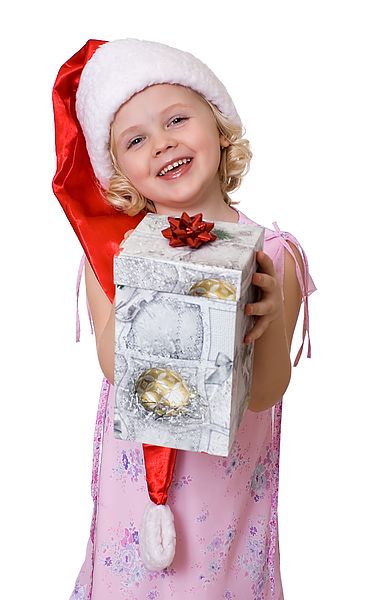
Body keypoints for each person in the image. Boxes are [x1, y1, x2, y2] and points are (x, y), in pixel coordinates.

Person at [52, 38, 316, 600]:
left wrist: (258, 327)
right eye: (136, 139)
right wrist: (145, 289)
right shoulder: (113, 255)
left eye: (177, 118)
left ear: (219, 128)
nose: (163, 143)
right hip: (136, 493)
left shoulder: (273, 252)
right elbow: (114, 365)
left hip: (224, 490)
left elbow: (267, 392)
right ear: (120, 171)